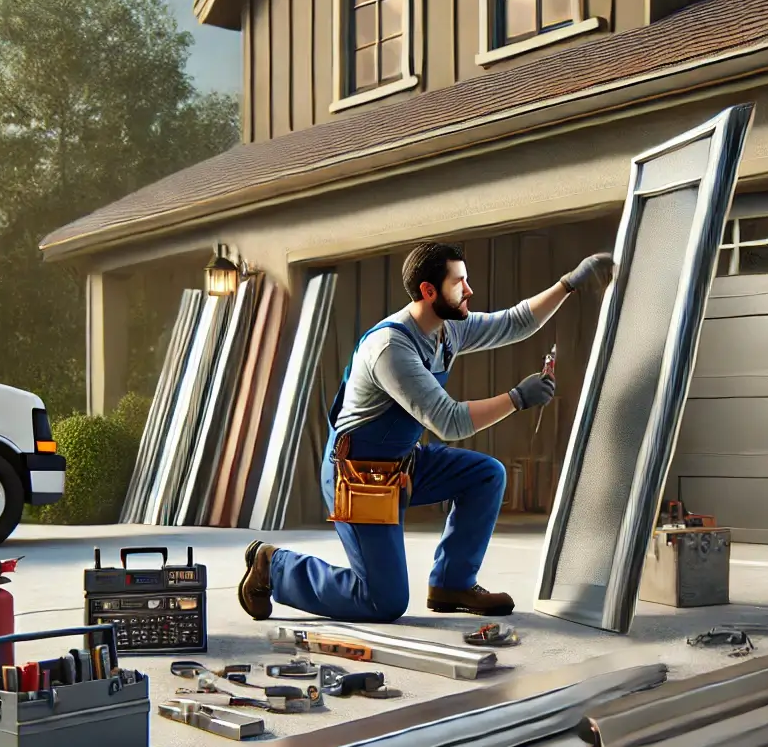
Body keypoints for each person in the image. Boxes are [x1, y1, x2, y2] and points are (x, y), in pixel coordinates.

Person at [238, 242, 615, 623]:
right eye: (459, 283)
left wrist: (568, 284)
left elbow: (515, 322)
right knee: (382, 602)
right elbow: (450, 422)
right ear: (428, 291)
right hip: (358, 475)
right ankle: (277, 566)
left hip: (402, 462)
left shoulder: (448, 329)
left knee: (485, 475)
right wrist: (516, 398)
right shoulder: (391, 348)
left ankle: (452, 584)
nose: (468, 291)